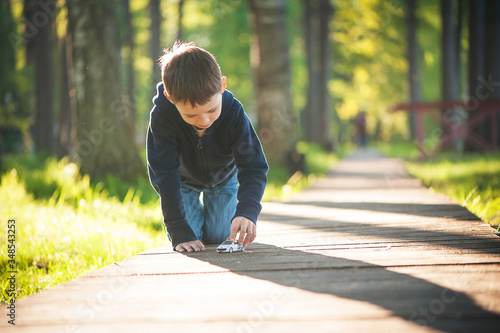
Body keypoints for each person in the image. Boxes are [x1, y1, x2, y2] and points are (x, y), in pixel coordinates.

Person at [146, 41, 268, 253]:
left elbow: (254, 167)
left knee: (218, 236)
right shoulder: (162, 117)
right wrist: (177, 227)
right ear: (169, 97)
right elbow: (164, 174)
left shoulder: (233, 113)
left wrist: (247, 211)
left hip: (223, 178)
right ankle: (189, 224)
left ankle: (215, 218)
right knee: (188, 238)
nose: (204, 120)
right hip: (182, 181)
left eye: (212, 110)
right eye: (190, 115)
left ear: (222, 86)